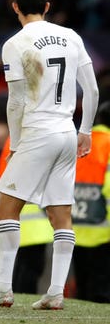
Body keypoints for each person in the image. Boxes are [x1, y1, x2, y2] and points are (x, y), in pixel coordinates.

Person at [0, 0, 99, 310]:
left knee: (6, 207)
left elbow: (16, 101)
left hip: (38, 132)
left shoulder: (15, 43)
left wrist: (16, 141)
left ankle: (2, 288)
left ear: (15, 7)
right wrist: (86, 131)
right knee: (61, 214)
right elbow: (93, 91)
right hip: (67, 132)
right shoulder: (72, 37)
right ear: (48, 6)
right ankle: (55, 292)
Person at [0, 136, 53, 294]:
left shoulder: (14, 139)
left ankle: (13, 296)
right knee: (30, 268)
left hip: (21, 216)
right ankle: (20, 298)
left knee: (22, 266)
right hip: (34, 221)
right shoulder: (30, 138)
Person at [71, 101, 110, 303]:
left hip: (75, 224)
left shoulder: (80, 141)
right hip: (101, 229)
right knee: (101, 289)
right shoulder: (109, 143)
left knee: (82, 287)